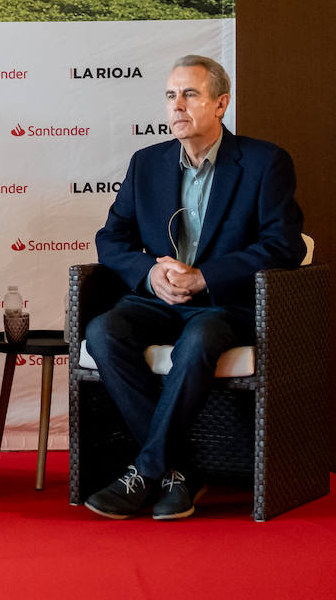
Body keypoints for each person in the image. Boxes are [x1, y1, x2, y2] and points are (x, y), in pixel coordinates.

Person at [85, 55, 305, 520]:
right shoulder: (147, 164)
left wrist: (206, 275)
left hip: (223, 305)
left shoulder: (265, 162)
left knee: (200, 339)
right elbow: (112, 238)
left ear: (221, 103)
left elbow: (283, 245)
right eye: (170, 96)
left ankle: (145, 471)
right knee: (104, 332)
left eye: (190, 95)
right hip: (158, 299)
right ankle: (177, 473)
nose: (177, 106)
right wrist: (151, 275)